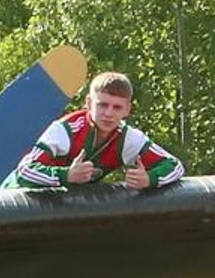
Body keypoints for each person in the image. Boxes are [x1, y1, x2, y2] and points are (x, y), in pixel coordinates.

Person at [14, 71, 187, 194]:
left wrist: (150, 179)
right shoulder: (64, 131)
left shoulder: (127, 138)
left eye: (117, 107)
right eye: (102, 105)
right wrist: (66, 175)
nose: (109, 113)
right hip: (14, 202)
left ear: (127, 110)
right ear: (88, 103)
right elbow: (24, 172)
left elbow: (175, 166)